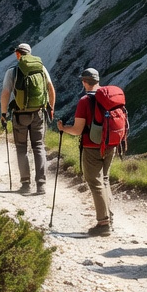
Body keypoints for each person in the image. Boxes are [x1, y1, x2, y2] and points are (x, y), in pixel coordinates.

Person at [56, 68, 115, 236]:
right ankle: (110, 218)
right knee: (104, 180)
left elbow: (77, 130)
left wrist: (63, 128)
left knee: (94, 181)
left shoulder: (84, 100)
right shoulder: (109, 96)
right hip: (111, 143)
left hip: (92, 146)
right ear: (97, 80)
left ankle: (103, 223)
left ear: (84, 82)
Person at [0, 43, 55, 194]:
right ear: (29, 54)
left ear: (18, 54)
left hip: (20, 115)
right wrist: (51, 108)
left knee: (22, 148)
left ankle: (25, 184)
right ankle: (41, 184)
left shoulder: (13, 71)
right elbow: (51, 88)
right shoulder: (41, 68)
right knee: (39, 147)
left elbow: (5, 93)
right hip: (38, 113)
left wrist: (3, 114)